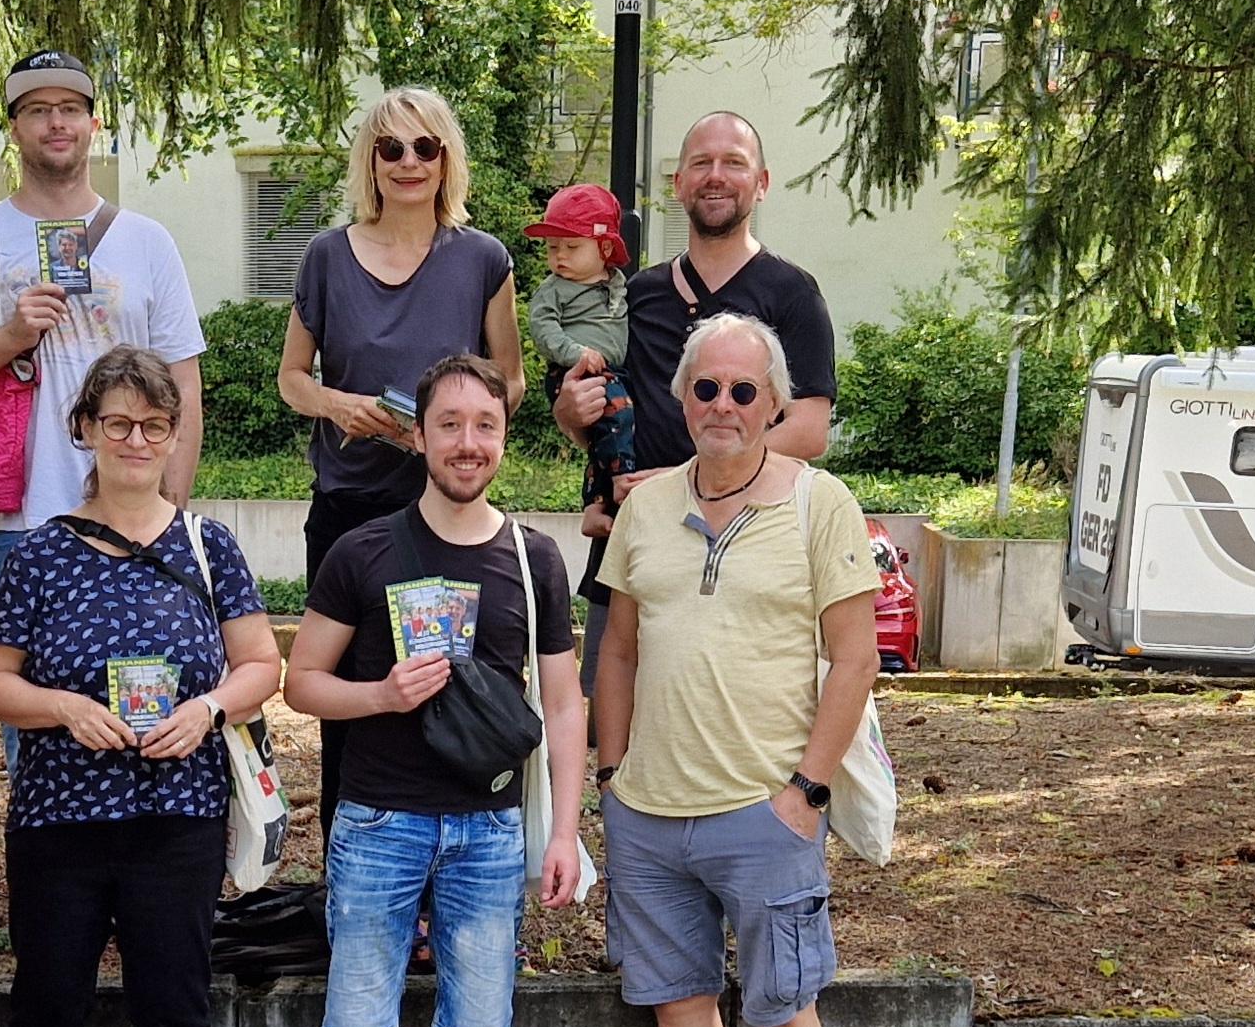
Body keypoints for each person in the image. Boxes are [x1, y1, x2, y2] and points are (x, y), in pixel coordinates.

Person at [576, 316, 880, 1027]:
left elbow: (856, 659)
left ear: (775, 404)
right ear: (681, 399)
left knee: (785, 1009)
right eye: (706, 389)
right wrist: (611, 777)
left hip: (767, 810)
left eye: (743, 392)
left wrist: (809, 790)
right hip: (651, 814)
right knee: (678, 1005)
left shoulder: (821, 504)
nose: (723, 407)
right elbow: (616, 646)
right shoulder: (643, 509)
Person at [0, 346, 282, 1027]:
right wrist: (62, 708)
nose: (136, 439)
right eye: (117, 423)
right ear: (84, 431)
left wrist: (207, 708)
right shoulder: (38, 555)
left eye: (153, 424)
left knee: (174, 1005)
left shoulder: (206, 544)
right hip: (60, 819)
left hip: (176, 817)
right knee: (48, 1003)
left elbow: (262, 664)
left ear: (173, 432)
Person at [284, 354, 584, 1027]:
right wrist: (381, 695)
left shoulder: (534, 560)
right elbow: (302, 683)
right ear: (417, 434)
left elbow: (566, 704)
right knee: (359, 1014)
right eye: (448, 423)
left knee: (482, 1020)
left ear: (505, 436)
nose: (467, 442)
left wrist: (566, 830)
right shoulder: (363, 551)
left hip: (490, 827)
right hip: (378, 821)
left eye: (484, 425)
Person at [0, 48, 207, 771]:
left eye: (69, 108)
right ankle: (48, 862)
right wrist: (10, 334)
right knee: (31, 718)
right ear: (14, 128)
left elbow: (184, 384)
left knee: (147, 693)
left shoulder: (146, 241)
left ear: (94, 123)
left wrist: (173, 506)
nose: (55, 123)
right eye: (37, 110)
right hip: (17, 517)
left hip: (135, 513)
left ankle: (143, 854)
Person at [277, 86, 526, 845]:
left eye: (426, 147)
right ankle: (351, 867)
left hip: (450, 516)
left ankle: (453, 868)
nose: (409, 162)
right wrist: (337, 406)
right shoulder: (327, 255)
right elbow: (292, 378)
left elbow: (508, 381)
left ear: (448, 158)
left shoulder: (483, 259)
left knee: (451, 689)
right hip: (351, 510)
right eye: (391, 148)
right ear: (371, 162)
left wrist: (456, 434)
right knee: (349, 695)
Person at [555, 111, 838, 698]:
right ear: (678, 184)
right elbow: (595, 418)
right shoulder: (634, 296)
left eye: (734, 162)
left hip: (743, 558)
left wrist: (683, 479)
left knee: (727, 728)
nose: (717, 176)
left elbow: (809, 431)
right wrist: (571, 414)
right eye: (701, 164)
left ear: (760, 183)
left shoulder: (792, 294)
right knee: (616, 727)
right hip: (632, 550)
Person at [522, 183, 634, 540]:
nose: (559, 257)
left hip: (613, 370)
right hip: (574, 371)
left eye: (571, 247)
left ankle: (594, 506)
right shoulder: (554, 288)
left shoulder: (617, 285)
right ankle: (622, 479)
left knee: (605, 435)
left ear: (604, 248)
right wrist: (575, 352)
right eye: (553, 248)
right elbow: (541, 327)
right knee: (618, 416)